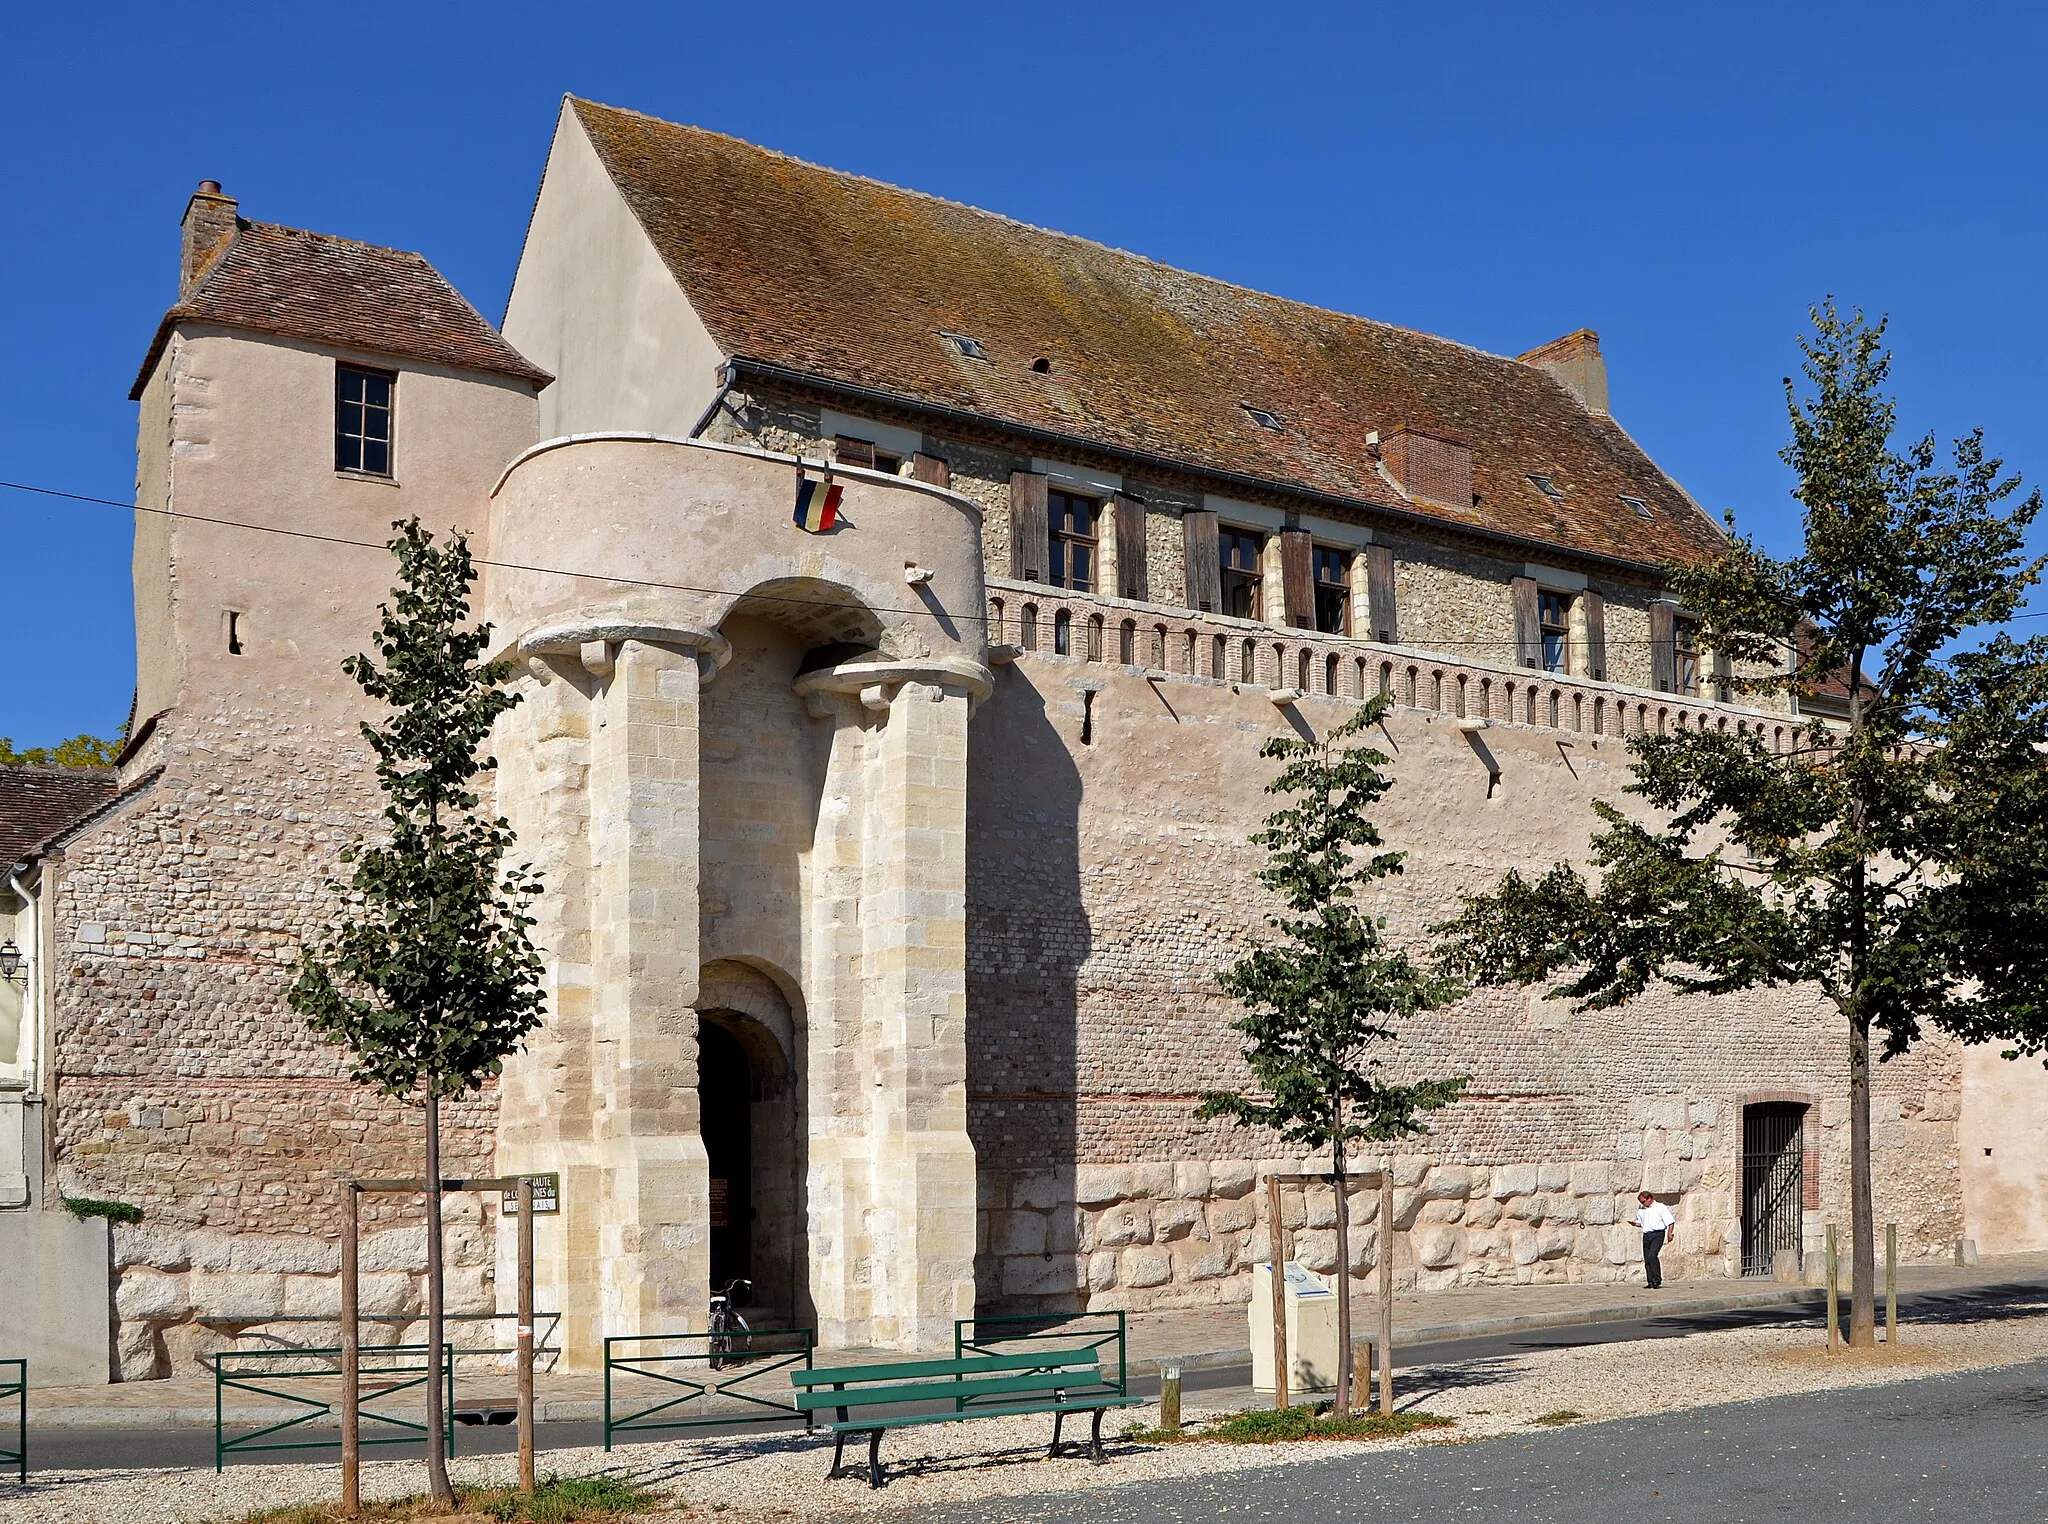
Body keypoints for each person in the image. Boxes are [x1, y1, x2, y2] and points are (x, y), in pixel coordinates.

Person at [1636, 1192, 1676, 1288]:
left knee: (1652, 1255)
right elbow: (1641, 1222)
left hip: (1657, 1234)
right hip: (1647, 1234)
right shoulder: (1642, 1210)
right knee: (1647, 1259)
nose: (1643, 1204)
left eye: (1643, 1201)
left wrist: (1669, 1233)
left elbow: (1670, 1221)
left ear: (1649, 1198)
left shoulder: (1660, 1207)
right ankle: (1650, 1281)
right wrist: (1634, 1223)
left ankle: (1657, 1280)